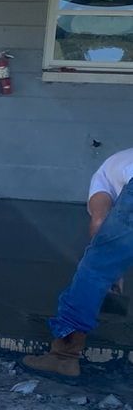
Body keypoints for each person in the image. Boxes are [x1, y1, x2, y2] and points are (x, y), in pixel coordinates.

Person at [24, 147, 133, 379]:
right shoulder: (121, 163)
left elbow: (100, 221)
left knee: (93, 271)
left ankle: (63, 357)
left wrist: (110, 271)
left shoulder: (102, 179)